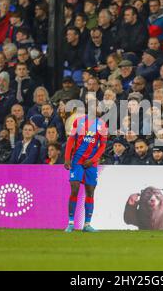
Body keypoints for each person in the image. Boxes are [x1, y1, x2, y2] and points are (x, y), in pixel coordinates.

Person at [63, 98, 107, 233]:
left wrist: (93, 159)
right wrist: (67, 158)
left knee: (90, 192)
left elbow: (103, 147)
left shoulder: (102, 125)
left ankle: (87, 224)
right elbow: (71, 140)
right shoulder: (79, 121)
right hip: (77, 161)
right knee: (74, 188)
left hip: (91, 163)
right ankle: (70, 223)